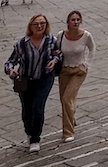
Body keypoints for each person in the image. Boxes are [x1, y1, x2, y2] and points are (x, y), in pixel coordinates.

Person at [4, 13, 62, 152]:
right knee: (27, 110)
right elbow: (10, 62)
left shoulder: (51, 40)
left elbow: (59, 54)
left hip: (44, 79)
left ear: (46, 25)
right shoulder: (21, 44)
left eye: (42, 23)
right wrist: (11, 71)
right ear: (31, 26)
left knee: (38, 108)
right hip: (25, 80)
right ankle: (29, 132)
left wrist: (54, 61)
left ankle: (35, 138)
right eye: (36, 24)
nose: (39, 26)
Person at [57, 10, 96, 142]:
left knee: (67, 98)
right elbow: (56, 51)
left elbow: (92, 49)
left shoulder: (86, 35)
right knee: (65, 99)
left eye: (78, 20)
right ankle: (71, 118)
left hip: (79, 71)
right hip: (64, 70)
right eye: (73, 20)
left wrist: (86, 64)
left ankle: (68, 132)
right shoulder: (61, 35)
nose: (76, 22)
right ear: (68, 22)